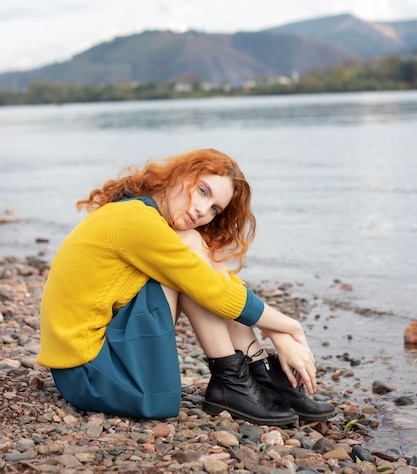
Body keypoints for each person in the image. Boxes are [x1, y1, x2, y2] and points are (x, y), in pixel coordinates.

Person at [38, 148, 334, 424]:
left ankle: (257, 377)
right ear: (178, 175)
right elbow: (212, 290)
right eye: (203, 191)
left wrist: (277, 333)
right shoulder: (134, 220)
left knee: (193, 251)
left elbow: (219, 282)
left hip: (87, 363)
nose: (204, 210)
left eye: (215, 208)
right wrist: (288, 326)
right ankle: (233, 381)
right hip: (91, 374)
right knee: (193, 256)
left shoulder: (140, 215)